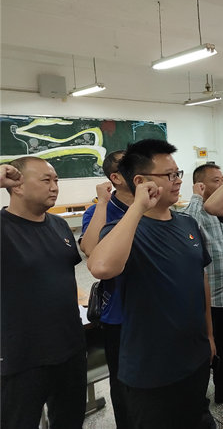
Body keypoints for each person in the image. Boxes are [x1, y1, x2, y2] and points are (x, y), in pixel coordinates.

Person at [87, 139, 216, 429]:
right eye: (169, 175)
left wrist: (209, 335)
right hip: (151, 369)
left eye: (178, 173)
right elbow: (101, 267)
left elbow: (201, 280)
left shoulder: (187, 224)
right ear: (140, 181)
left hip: (194, 357)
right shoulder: (123, 230)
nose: (178, 180)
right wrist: (138, 207)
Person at [0, 157, 87, 429]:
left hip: (69, 348)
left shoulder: (59, 225)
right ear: (17, 186)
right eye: (46, 180)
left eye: (56, 180)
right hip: (21, 358)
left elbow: (63, 277)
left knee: (70, 421)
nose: (54, 187)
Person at [79, 150, 134, 429]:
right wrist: (101, 203)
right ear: (116, 177)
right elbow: (91, 251)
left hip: (157, 309)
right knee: (123, 383)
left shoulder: (156, 207)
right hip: (120, 313)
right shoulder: (100, 211)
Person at [182, 164, 223, 403]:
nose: (222, 185)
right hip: (211, 297)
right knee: (211, 346)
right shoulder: (194, 213)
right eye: (216, 181)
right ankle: (203, 394)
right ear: (201, 186)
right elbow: (188, 220)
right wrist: (196, 198)